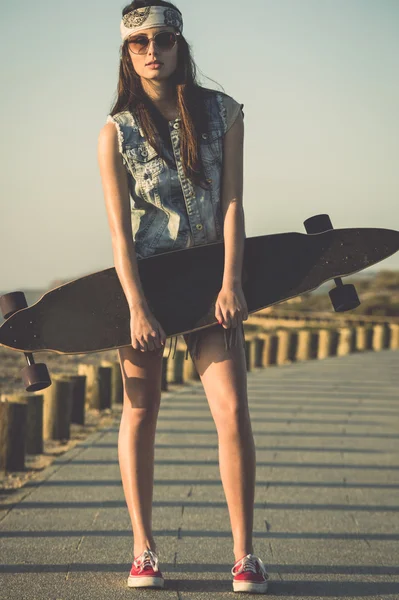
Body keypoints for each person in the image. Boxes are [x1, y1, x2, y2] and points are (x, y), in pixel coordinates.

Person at [97, 0, 269, 594]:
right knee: (140, 410)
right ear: (127, 53)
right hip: (147, 284)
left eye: (161, 40)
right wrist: (138, 306)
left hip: (211, 283)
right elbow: (120, 233)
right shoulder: (114, 133)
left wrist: (232, 281)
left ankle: (244, 556)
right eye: (139, 43)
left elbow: (231, 205)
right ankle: (143, 549)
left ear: (179, 45)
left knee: (231, 412)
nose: (152, 51)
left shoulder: (223, 113)